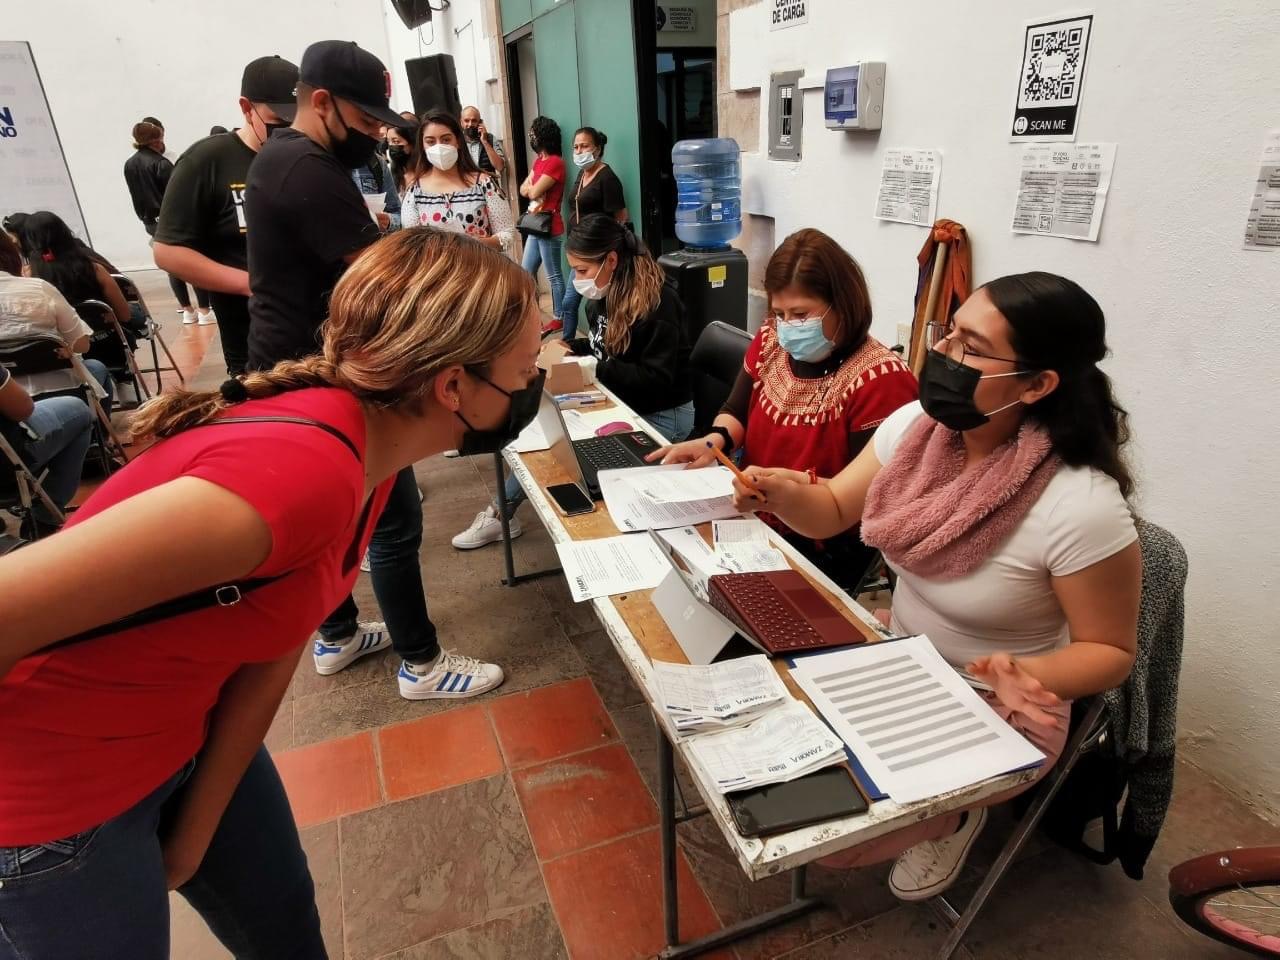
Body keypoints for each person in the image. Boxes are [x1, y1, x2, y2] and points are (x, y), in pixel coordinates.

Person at [0, 228, 545, 959]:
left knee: (284, 923)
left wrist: (195, 833)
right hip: (55, 803)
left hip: (184, 733)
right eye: (526, 368)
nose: (533, 383)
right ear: (453, 386)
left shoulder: (371, 457)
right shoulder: (300, 475)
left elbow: (282, 630)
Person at [728, 272, 1140, 899]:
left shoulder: (1079, 504)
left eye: (971, 349)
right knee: (786, 800)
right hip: (906, 665)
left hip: (1002, 702)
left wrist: (1026, 674)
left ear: (1038, 383)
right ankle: (934, 803)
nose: (942, 356)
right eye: (949, 335)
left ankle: (954, 815)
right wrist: (782, 494)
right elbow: (836, 506)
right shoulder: (919, 430)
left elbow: (1111, 651)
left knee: (839, 844)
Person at [247, 40, 502, 699]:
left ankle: (336, 636)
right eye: (365, 124)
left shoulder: (287, 159)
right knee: (391, 517)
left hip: (303, 363)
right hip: (323, 375)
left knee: (336, 517)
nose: (374, 137)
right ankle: (421, 663)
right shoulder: (304, 169)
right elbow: (383, 280)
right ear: (321, 102)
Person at [651, 228, 917, 588]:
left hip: (820, 544)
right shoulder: (771, 340)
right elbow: (737, 409)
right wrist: (714, 442)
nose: (788, 326)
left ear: (843, 304)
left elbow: (867, 496)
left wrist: (787, 494)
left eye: (801, 314)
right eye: (780, 313)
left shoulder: (882, 379)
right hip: (752, 515)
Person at [453, 214, 692, 550]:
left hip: (661, 414)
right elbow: (603, 346)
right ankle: (500, 514)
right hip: (623, 399)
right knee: (553, 440)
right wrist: (572, 347)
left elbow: (655, 379)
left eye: (581, 270)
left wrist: (589, 368)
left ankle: (505, 515)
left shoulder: (658, 303)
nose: (577, 279)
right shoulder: (608, 290)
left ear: (611, 260)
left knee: (569, 452)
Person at [153, 55, 299, 377]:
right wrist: (250, 284)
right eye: (278, 119)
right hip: (256, 343)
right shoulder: (208, 160)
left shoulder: (306, 156)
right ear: (246, 108)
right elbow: (168, 251)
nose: (288, 129)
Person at [5, 217, 117, 415]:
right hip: (62, 385)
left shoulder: (32, 273)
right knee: (96, 368)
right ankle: (98, 436)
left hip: (8, 396)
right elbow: (82, 344)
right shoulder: (40, 287)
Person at [123, 121, 214, 325]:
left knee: (172, 266)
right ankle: (204, 310)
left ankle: (187, 310)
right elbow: (178, 194)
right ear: (156, 140)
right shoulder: (161, 164)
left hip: (151, 222)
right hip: (173, 220)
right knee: (192, 262)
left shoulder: (130, 164)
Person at [400, 110, 513, 252]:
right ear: (422, 145)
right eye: (430, 141)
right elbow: (411, 243)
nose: (439, 146)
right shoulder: (414, 191)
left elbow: (507, 235)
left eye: (446, 139)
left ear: (458, 141)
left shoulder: (484, 184)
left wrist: (476, 244)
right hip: (436, 272)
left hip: (480, 270)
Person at [559, 126, 628, 340]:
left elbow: (621, 216)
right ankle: (567, 345)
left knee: (596, 302)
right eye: (576, 147)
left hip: (596, 254)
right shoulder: (582, 174)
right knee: (570, 303)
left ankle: (601, 343)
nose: (579, 151)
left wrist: (607, 249)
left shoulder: (607, 178)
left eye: (584, 146)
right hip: (579, 250)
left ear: (597, 149)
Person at [519, 116, 568, 336]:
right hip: (535, 225)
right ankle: (532, 317)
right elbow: (523, 188)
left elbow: (534, 191)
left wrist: (532, 187)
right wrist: (530, 187)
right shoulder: (538, 160)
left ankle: (560, 317)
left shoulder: (556, 162)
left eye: (534, 134)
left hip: (548, 226)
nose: (532, 138)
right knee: (526, 273)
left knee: (554, 275)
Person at [460, 105, 506, 176]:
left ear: (480, 122)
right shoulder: (457, 141)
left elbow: (500, 167)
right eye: (466, 121)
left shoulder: (490, 138)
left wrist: (485, 142)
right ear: (461, 122)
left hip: (487, 185)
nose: (470, 124)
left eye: (474, 121)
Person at [385, 113, 418, 194]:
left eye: (396, 141)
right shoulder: (388, 172)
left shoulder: (428, 172)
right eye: (388, 142)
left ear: (411, 143)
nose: (391, 146)